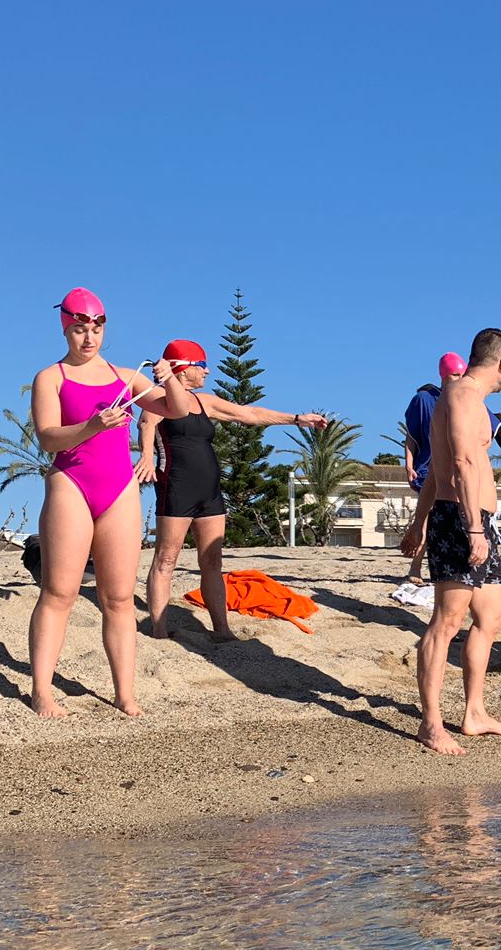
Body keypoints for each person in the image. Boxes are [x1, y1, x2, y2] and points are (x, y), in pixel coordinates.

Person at [27, 288, 196, 718]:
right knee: (59, 592)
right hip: (71, 484)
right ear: (65, 329)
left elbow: (178, 410)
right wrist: (92, 425)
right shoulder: (51, 378)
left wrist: (169, 378)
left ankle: (125, 693)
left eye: (96, 330)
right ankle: (42, 690)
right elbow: (48, 438)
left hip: (119, 488)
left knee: (119, 598)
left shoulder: (125, 377)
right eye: (79, 330)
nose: (89, 338)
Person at [138, 338, 326, 641]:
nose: (207, 371)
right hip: (176, 487)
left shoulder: (204, 401)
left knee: (212, 562)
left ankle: (222, 631)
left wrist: (296, 420)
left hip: (209, 492)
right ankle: (159, 630)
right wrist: (147, 456)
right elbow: (146, 423)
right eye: (202, 365)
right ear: (183, 368)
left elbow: (249, 414)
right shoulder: (159, 398)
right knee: (166, 560)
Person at [403, 329, 501, 752]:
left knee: (490, 618)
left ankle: (474, 712)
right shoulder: (463, 397)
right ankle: (431, 723)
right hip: (461, 519)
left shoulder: (465, 399)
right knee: (448, 620)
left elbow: (436, 470)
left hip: (474, 519)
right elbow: (462, 462)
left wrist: (418, 522)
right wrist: (472, 528)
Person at [401, 352, 466, 582]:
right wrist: (409, 465)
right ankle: (415, 566)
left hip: (455, 469)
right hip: (427, 468)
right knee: (428, 516)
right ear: (444, 375)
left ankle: (440, 567)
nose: (459, 379)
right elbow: (411, 436)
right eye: (455, 375)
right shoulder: (424, 399)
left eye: (462, 375)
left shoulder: (464, 398)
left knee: (449, 518)